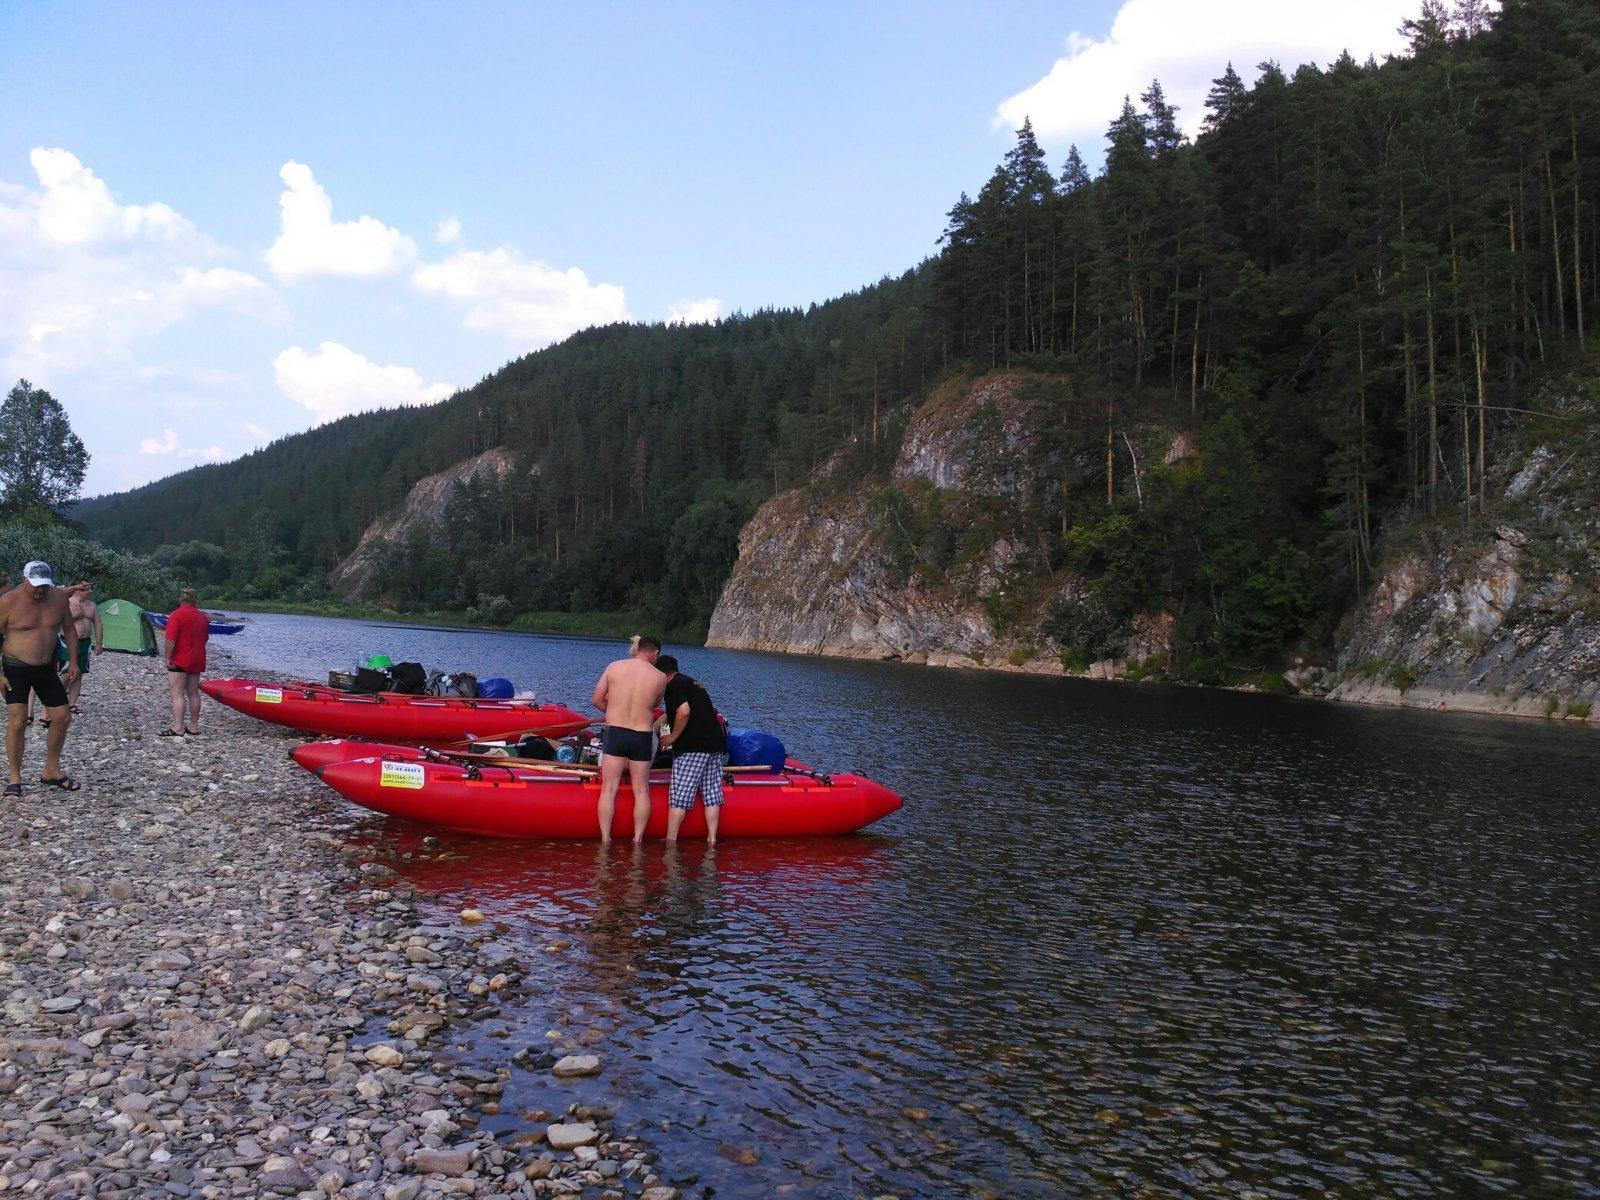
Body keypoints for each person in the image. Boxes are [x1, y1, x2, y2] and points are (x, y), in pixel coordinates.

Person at [1, 561, 81, 796]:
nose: (40, 590)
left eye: (44, 586)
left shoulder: (58, 598)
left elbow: (69, 629)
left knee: (62, 716)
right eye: (35, 585)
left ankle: (51, 770)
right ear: (24, 579)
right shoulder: (7, 602)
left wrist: (74, 661)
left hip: (46, 666)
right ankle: (15, 778)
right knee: (18, 721)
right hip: (15, 666)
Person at [589, 635, 666, 844]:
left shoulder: (614, 667)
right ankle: (637, 839)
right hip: (641, 734)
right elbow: (654, 705)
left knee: (609, 788)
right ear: (655, 653)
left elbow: (596, 699)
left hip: (616, 732)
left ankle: (606, 839)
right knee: (641, 790)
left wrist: (613, 710)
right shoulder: (660, 677)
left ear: (637, 647)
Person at [656, 656, 730, 845]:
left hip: (693, 746)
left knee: (680, 794)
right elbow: (672, 713)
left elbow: (684, 711)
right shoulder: (691, 682)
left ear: (662, 674)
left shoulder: (672, 686)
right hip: (715, 744)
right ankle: (712, 838)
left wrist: (672, 737)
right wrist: (653, 727)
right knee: (712, 792)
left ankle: (671, 839)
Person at [163, 587, 210, 736]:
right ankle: (193, 726)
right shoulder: (203, 617)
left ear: (180, 599)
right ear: (195, 600)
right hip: (197, 658)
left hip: (180, 658)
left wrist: (168, 657)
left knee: (177, 693)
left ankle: (178, 727)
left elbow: (170, 639)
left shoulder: (176, 615)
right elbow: (206, 638)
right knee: (193, 693)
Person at [65, 580, 102, 714]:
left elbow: (97, 624)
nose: (90, 591)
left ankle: (72, 703)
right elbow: (60, 623)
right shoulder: (67, 602)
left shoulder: (91, 605)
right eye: (87, 588)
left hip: (85, 642)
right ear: (77, 589)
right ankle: (58, 700)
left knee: (79, 672)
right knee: (65, 672)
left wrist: (98, 643)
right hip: (68, 641)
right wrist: (74, 617)